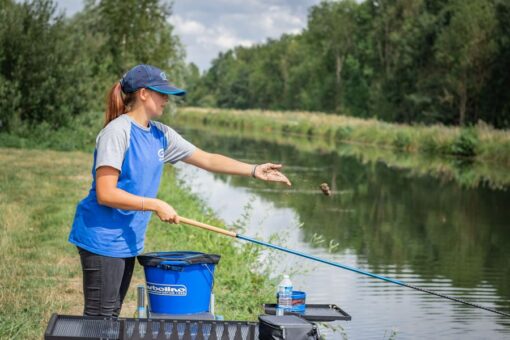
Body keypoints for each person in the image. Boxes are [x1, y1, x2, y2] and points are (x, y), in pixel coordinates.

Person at [68, 64, 292, 317]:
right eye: (161, 93)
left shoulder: (160, 134)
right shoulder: (117, 132)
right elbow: (105, 193)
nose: (166, 99)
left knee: (110, 315)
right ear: (143, 93)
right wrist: (155, 204)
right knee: (101, 317)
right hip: (102, 237)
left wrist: (254, 170)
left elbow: (207, 159)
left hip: (126, 240)